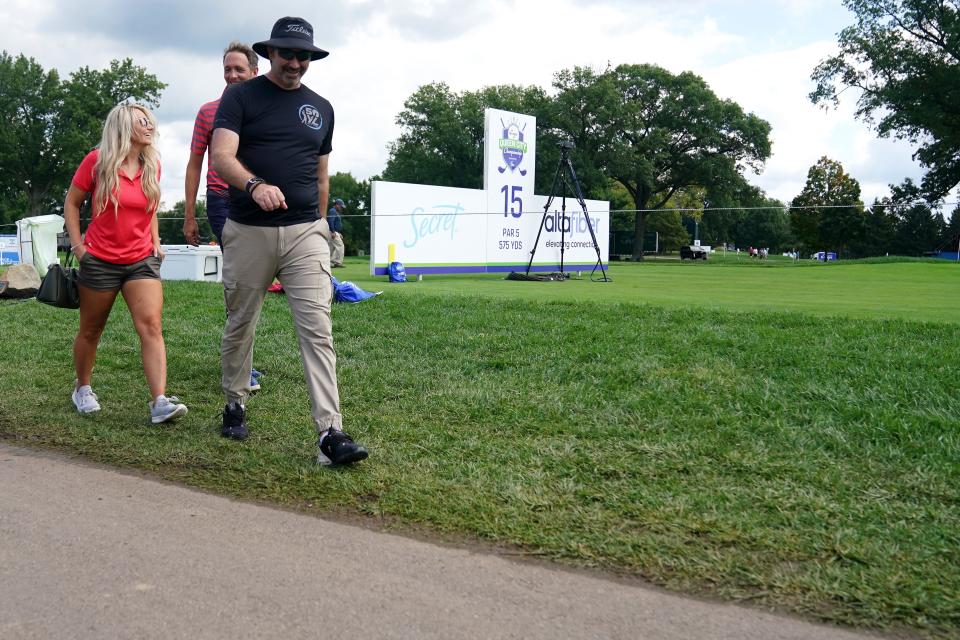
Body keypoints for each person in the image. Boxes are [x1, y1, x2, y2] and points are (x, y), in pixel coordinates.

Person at [210, 16, 368, 466]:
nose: (296, 62)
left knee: (317, 329)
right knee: (241, 322)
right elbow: (222, 156)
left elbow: (321, 175)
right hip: (248, 230)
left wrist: (320, 224)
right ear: (269, 54)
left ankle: (330, 433)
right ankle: (235, 403)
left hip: (305, 233)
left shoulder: (322, 107)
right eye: (287, 54)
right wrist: (254, 185)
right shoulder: (240, 96)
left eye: (304, 56)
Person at [64, 103, 188, 424]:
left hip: (141, 260)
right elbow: (72, 203)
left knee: (151, 326)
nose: (150, 127)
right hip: (100, 261)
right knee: (91, 330)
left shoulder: (152, 166)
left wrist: (156, 242)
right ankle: (83, 388)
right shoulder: (97, 162)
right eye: (142, 122)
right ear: (123, 127)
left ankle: (159, 400)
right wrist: (79, 247)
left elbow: (149, 210)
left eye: (151, 122)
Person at [183, 41, 263, 393]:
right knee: (239, 280)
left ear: (254, 72)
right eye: (227, 69)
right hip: (221, 200)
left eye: (238, 70)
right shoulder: (208, 112)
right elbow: (195, 164)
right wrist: (189, 215)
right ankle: (239, 365)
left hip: (258, 200)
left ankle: (241, 359)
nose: (232, 75)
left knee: (254, 282)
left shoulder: (266, 109)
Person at [327, 198, 345, 267]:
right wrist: (333, 232)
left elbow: (334, 223)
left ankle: (329, 263)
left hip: (334, 232)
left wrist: (338, 233)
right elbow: (330, 221)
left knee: (331, 248)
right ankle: (337, 262)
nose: (341, 208)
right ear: (337, 205)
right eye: (341, 206)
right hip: (332, 232)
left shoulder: (334, 211)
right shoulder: (332, 211)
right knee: (340, 246)